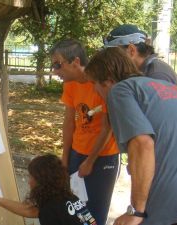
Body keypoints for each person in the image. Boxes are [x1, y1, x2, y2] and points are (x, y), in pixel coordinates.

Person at [84, 47, 177, 225]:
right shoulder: (171, 88)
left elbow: (142, 143)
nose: (94, 91)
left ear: (107, 81)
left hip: (173, 204)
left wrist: (135, 210)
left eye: (94, 84)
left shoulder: (120, 91)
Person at [50, 39, 119, 225]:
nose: (54, 70)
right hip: (77, 154)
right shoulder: (70, 84)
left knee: (94, 215)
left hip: (103, 157)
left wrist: (91, 161)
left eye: (58, 64)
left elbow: (108, 127)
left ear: (76, 62)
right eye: (52, 65)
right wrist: (65, 158)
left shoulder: (101, 83)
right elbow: (69, 122)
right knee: (75, 210)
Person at [0, 154, 97, 225]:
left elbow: (38, 212)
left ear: (42, 182)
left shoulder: (51, 211)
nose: (28, 181)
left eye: (31, 177)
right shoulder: (67, 198)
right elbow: (30, 211)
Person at [104, 24, 177, 86]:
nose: (111, 60)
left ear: (131, 50)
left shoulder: (156, 75)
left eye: (114, 54)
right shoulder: (144, 71)